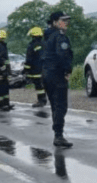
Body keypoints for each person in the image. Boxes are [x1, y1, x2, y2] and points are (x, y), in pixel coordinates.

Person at [41, 12, 74, 148]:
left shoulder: (47, 37)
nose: (66, 23)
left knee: (55, 105)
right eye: (63, 20)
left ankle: (58, 134)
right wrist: (67, 70)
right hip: (57, 74)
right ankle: (58, 136)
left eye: (67, 20)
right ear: (55, 22)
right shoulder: (59, 37)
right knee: (60, 105)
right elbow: (63, 55)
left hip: (47, 74)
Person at [24, 26, 46, 107]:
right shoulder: (45, 44)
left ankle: (41, 101)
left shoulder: (32, 45)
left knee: (39, 86)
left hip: (36, 70)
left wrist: (25, 70)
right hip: (45, 69)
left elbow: (29, 59)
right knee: (42, 85)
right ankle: (43, 100)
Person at [0, 29, 13, 110]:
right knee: (2, 88)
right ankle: (2, 105)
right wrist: (6, 71)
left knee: (2, 88)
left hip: (0, 71)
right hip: (2, 71)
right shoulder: (1, 47)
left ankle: (4, 104)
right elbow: (2, 60)